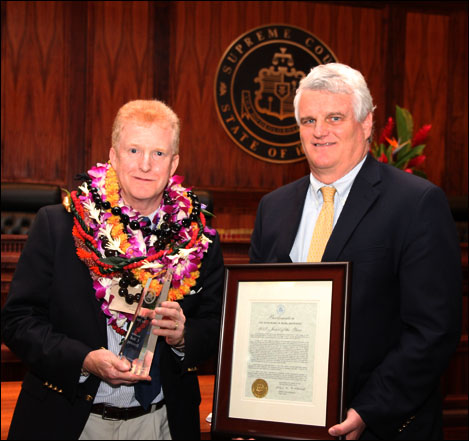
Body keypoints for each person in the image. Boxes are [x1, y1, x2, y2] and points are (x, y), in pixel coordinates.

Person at [249, 63, 462, 440]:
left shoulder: (416, 203)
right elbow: (256, 320)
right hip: (287, 420)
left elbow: (433, 331)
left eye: (334, 117)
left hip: (380, 426)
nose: (319, 131)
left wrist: (368, 409)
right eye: (308, 120)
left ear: (366, 124)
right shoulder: (273, 207)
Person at [2, 99, 225, 440]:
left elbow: (216, 324)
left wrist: (183, 337)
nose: (145, 165)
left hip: (162, 422)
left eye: (159, 154)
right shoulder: (60, 225)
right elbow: (17, 321)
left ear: (174, 162)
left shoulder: (199, 237)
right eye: (134, 150)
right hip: (70, 419)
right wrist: (84, 359)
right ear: (114, 155)